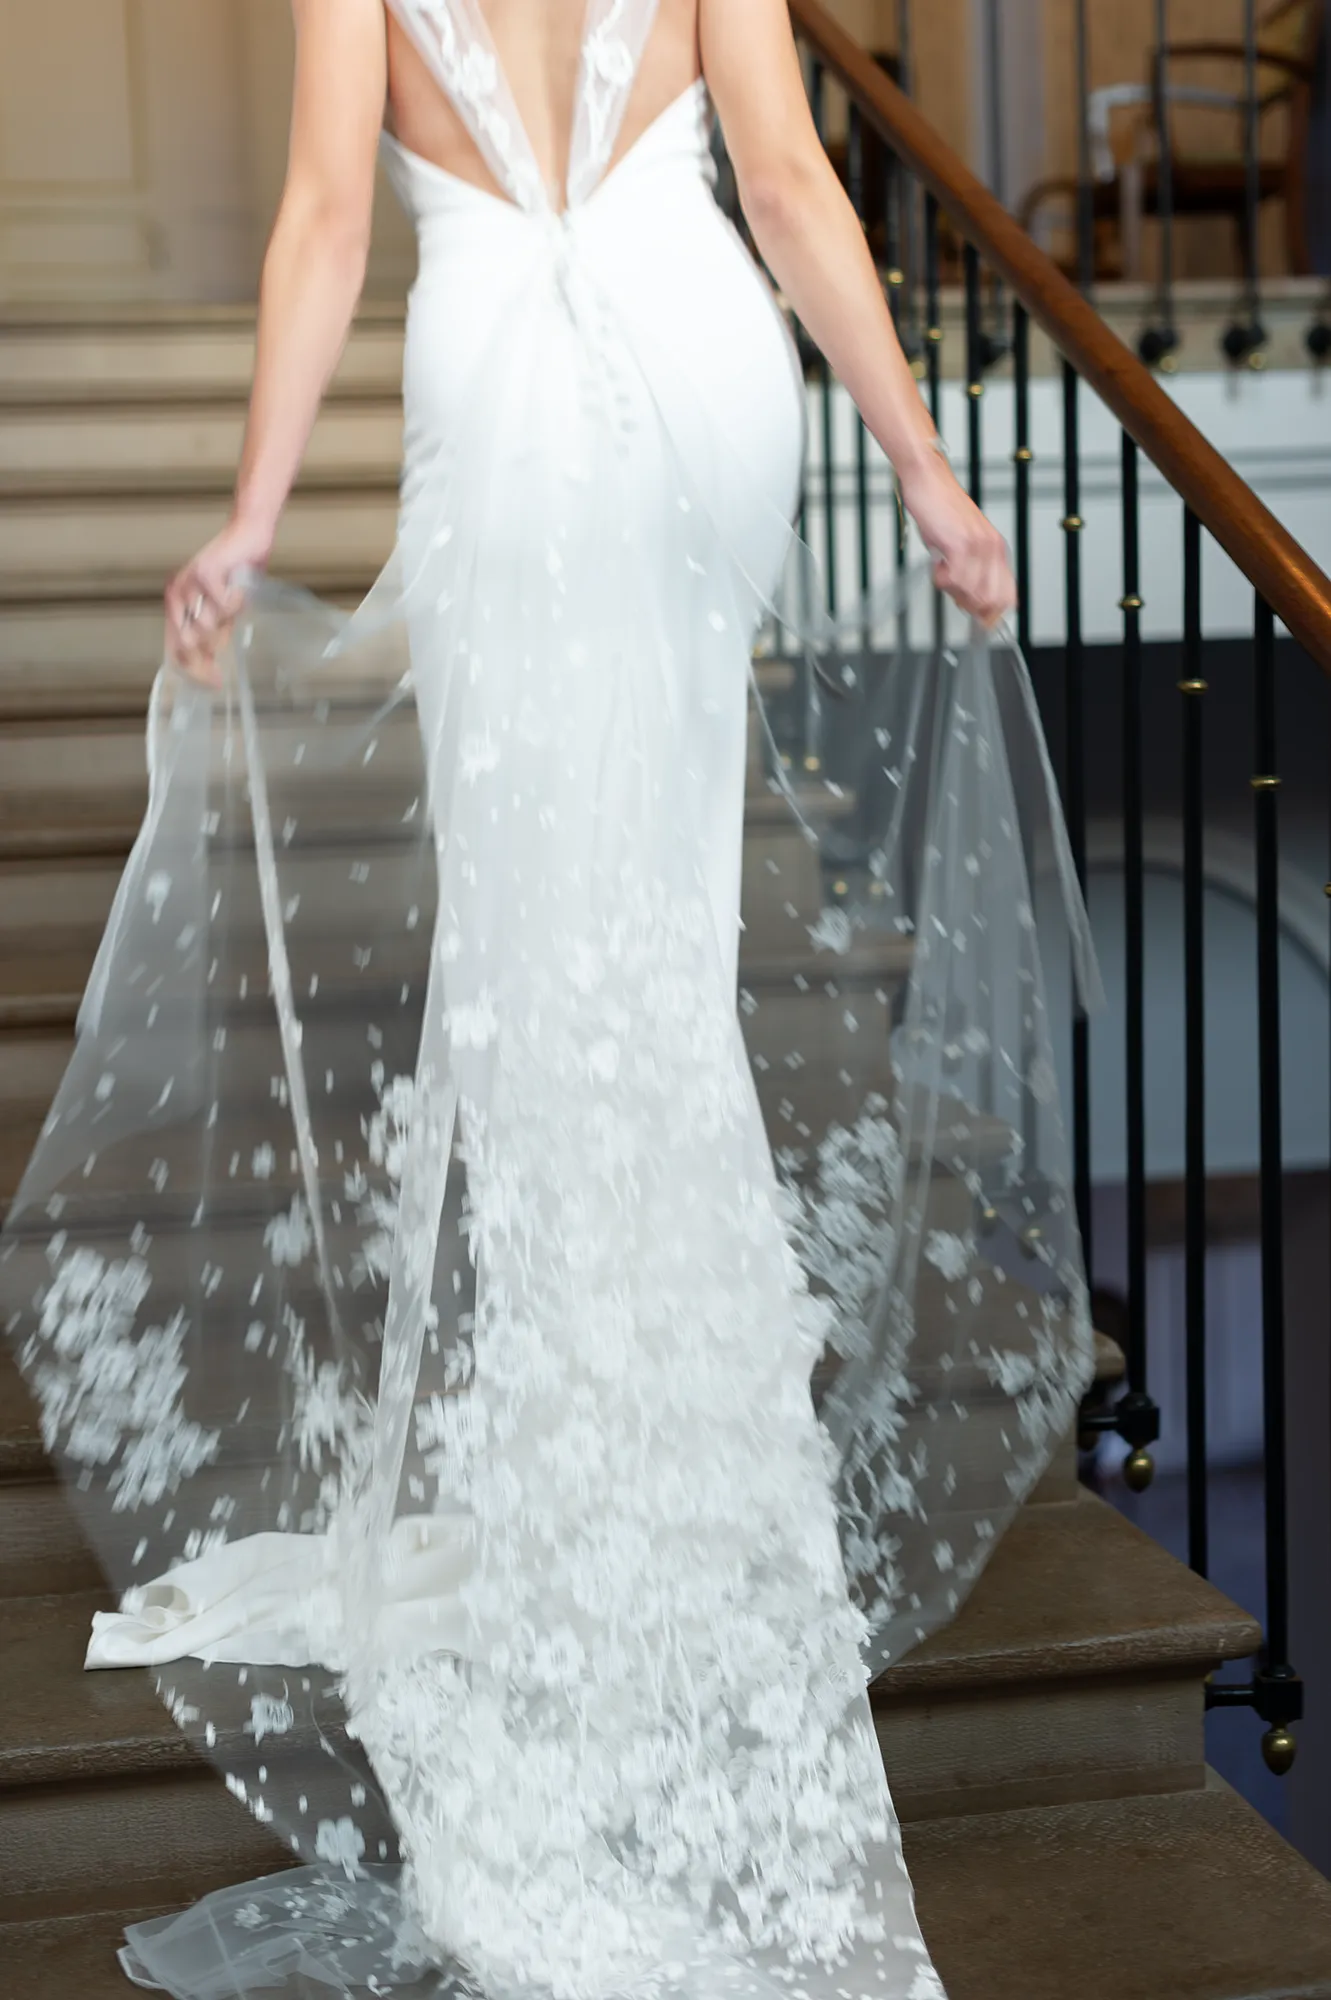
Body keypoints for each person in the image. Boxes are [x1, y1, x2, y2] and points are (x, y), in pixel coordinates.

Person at [1, 4, 1096, 1997]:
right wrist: (922, 472)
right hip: (697, 384)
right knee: (652, 939)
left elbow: (327, 216)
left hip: (500, 412)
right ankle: (677, 1463)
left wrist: (251, 521)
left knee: (536, 966)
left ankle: (598, 1457)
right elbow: (780, 185)